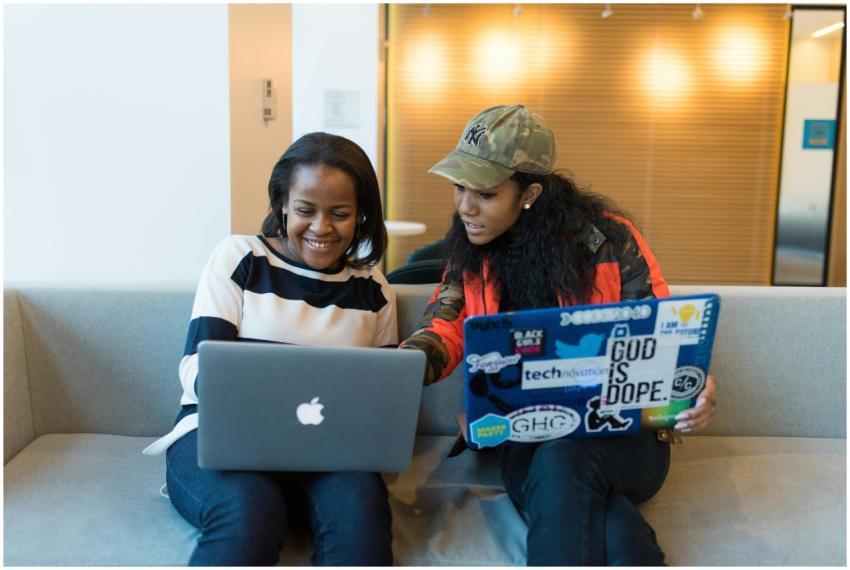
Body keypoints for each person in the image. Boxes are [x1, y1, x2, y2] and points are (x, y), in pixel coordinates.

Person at [399, 105, 717, 566]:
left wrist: (693, 386)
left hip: (623, 437)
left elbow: (660, 333)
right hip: (525, 435)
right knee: (608, 520)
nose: (466, 206)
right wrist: (406, 364)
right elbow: (444, 324)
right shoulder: (470, 249)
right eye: (460, 187)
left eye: (485, 193)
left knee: (561, 459)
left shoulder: (608, 241)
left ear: (529, 193)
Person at [143, 132, 398, 566]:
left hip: (329, 453)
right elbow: (195, 367)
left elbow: (385, 394)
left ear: (361, 215)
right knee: (249, 513)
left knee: (361, 520)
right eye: (305, 210)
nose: (321, 227)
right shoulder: (240, 257)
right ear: (283, 205)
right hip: (219, 439)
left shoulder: (373, 288)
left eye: (340, 213)